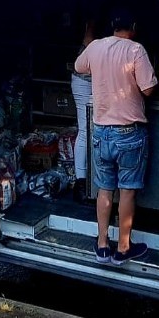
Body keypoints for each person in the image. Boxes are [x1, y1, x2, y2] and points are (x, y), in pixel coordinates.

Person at [74, 7, 157, 265]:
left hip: (101, 132)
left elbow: (79, 66)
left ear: (112, 26)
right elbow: (149, 89)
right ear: (133, 26)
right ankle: (123, 248)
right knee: (128, 191)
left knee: (104, 190)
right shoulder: (136, 50)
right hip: (129, 133)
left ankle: (101, 246)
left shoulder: (97, 47)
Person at [70, 18, 97, 202]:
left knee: (95, 130)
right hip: (85, 77)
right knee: (85, 130)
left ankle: (91, 181)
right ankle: (81, 182)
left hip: (97, 77)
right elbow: (87, 43)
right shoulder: (96, 19)